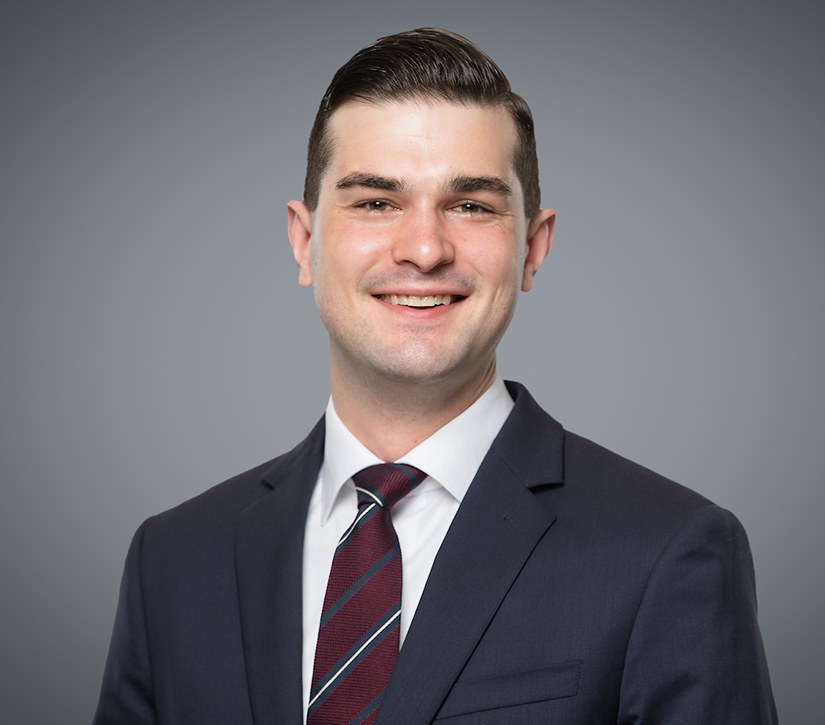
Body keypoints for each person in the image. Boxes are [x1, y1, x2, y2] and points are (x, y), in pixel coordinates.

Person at [94, 28, 777, 724]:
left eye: (471, 205)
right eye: (375, 202)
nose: (424, 250)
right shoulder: (171, 560)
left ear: (533, 248)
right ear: (304, 241)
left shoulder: (669, 549)